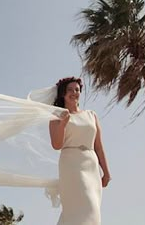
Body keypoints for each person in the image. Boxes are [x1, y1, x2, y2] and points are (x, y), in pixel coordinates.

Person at [49, 77, 111, 225]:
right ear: (63, 94)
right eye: (69, 90)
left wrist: (106, 172)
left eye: (77, 90)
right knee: (85, 206)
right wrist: (63, 124)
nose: (74, 93)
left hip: (91, 165)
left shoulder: (91, 115)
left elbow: (99, 147)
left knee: (93, 209)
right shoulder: (55, 117)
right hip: (71, 165)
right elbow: (57, 145)